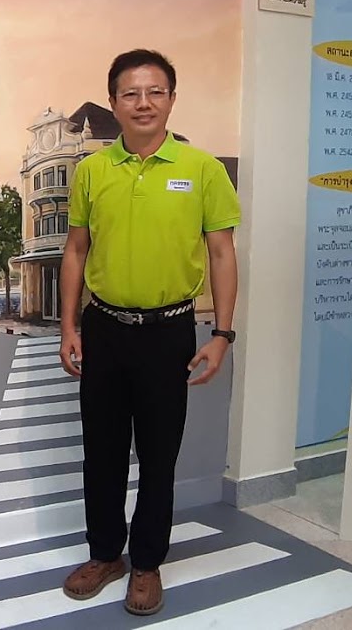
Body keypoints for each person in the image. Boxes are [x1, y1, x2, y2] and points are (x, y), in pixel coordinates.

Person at [58, 49, 240, 617]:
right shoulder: (92, 171)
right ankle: (105, 554)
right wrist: (68, 325)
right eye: (131, 93)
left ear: (171, 99)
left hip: (169, 332)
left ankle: (147, 563)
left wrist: (222, 334)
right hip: (104, 329)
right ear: (114, 102)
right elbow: (76, 250)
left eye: (155, 91)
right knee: (102, 453)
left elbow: (221, 252)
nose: (144, 103)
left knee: (159, 456)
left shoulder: (202, 169)